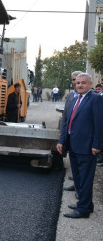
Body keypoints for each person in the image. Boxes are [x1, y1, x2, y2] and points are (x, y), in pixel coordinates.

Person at [57, 73, 103, 218]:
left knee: (85, 179)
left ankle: (82, 210)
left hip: (87, 147)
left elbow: (99, 124)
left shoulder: (96, 99)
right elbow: (67, 122)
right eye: (77, 83)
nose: (79, 85)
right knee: (77, 176)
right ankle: (86, 204)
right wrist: (62, 141)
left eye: (83, 83)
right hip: (73, 145)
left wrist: (97, 145)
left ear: (90, 84)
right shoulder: (74, 98)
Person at [60, 71, 82, 192]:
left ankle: (82, 192)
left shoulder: (92, 98)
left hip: (83, 139)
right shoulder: (70, 96)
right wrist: (62, 133)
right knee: (74, 165)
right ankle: (77, 186)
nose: (75, 83)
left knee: (82, 168)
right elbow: (65, 117)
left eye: (78, 81)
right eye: (73, 80)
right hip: (69, 137)